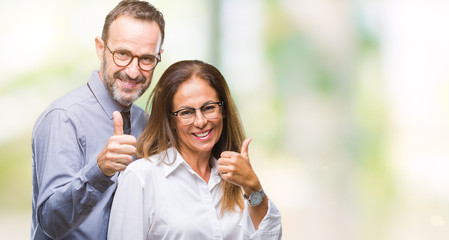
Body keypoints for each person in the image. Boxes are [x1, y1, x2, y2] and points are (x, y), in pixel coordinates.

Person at [31, 1, 165, 239]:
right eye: (122, 54)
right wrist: (99, 171)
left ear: (158, 57)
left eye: (146, 59)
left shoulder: (145, 122)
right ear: (100, 48)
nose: (133, 72)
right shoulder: (64, 118)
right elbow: (50, 223)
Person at [107, 60, 282, 239]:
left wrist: (253, 186)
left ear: (223, 110)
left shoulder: (237, 178)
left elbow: (270, 236)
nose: (200, 121)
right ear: (171, 121)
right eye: (186, 112)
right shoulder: (141, 177)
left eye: (209, 108)